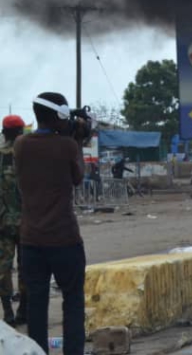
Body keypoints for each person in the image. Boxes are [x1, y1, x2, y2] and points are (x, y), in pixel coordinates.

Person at [16, 92, 87, 355]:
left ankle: (38, 351)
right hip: (64, 239)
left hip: (31, 241)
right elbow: (78, 176)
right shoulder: (66, 146)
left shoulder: (20, 145)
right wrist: (78, 139)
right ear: (59, 116)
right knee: (73, 302)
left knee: (36, 305)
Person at [0, 115, 26, 326]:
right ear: (20, 132)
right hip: (27, 222)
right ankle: (24, 310)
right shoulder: (27, 154)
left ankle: (8, 312)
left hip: (2, 222)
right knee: (26, 267)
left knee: (3, 267)